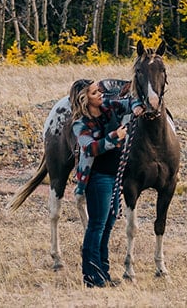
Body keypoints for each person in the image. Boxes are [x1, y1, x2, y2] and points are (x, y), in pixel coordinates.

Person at [70, 78, 145, 287]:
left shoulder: (108, 107)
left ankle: (102, 273)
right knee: (97, 225)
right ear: (85, 100)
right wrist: (115, 136)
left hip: (114, 177)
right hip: (98, 178)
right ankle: (91, 276)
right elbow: (91, 148)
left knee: (108, 224)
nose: (100, 94)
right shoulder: (80, 124)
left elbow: (129, 103)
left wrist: (137, 107)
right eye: (95, 93)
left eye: (99, 90)